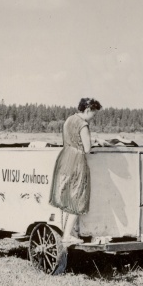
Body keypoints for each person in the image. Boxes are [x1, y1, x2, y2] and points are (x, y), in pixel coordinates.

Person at [49, 98, 102, 245]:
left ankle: (68, 231)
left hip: (65, 158)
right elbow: (87, 149)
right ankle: (67, 235)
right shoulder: (83, 124)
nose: (93, 117)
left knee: (67, 196)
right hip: (77, 161)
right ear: (87, 110)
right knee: (78, 197)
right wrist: (95, 142)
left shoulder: (69, 120)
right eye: (94, 114)